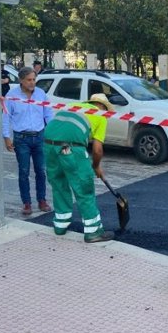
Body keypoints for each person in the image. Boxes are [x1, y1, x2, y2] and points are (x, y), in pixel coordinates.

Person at [42, 93, 115, 242]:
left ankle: (61, 225)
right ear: (102, 107)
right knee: (84, 187)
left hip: (48, 145)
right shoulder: (99, 115)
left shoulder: (72, 107)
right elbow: (97, 150)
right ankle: (94, 231)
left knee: (59, 184)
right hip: (70, 148)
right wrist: (96, 166)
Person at [2, 66, 54, 216]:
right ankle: (26, 203)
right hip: (21, 139)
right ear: (21, 80)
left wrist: (52, 133)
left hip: (39, 137)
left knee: (41, 171)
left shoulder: (41, 94)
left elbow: (48, 114)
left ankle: (42, 200)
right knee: (23, 172)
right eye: (29, 80)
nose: (32, 83)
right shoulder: (11, 95)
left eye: (34, 79)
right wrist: (6, 137)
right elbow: (5, 117)